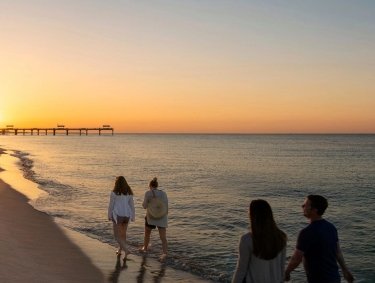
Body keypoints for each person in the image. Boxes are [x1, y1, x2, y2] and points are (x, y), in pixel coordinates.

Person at [285, 195, 354, 283]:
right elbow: (337, 251)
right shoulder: (331, 227)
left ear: (315, 210)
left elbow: (296, 258)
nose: (302, 206)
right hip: (334, 278)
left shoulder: (306, 232)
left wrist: (286, 272)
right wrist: (345, 270)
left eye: (305, 205)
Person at [232, 199, 287, 283]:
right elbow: (281, 268)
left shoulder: (247, 239)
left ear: (252, 216)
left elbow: (241, 270)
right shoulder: (281, 236)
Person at [141, 177, 168, 261]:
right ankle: (164, 253)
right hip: (162, 217)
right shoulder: (164, 193)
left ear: (150, 186)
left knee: (147, 234)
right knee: (163, 237)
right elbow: (166, 206)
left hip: (151, 217)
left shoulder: (148, 193)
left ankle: (145, 249)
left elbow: (144, 206)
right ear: (157, 185)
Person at [108, 176, 135, 259]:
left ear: (117, 183)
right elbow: (132, 206)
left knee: (117, 236)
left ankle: (126, 250)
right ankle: (120, 250)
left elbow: (111, 206)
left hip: (118, 215)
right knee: (123, 234)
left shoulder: (114, 193)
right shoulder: (129, 193)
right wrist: (133, 216)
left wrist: (109, 215)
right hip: (127, 215)